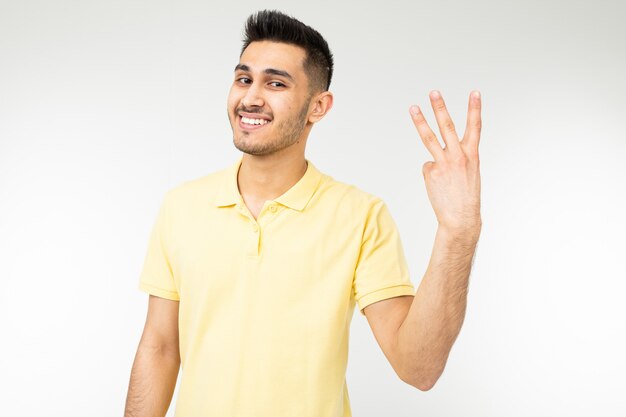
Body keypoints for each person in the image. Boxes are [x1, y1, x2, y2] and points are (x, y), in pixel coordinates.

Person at [123, 9, 482, 417]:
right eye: (244, 79)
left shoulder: (361, 216)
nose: (251, 97)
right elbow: (160, 347)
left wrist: (459, 231)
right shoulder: (181, 207)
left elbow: (418, 367)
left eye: (275, 83)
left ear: (318, 107)